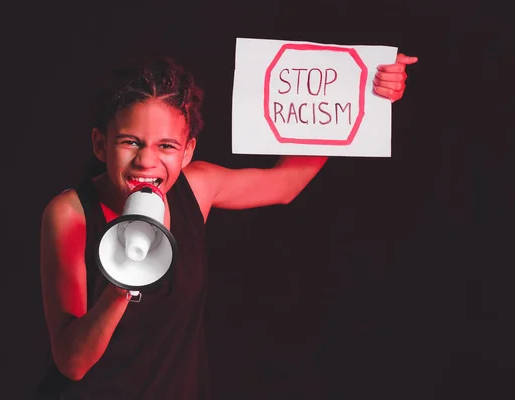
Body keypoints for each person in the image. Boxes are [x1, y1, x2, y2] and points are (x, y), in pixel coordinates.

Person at [36, 53, 418, 399]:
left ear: (188, 152)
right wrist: (123, 283)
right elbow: (73, 363)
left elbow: (285, 185)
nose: (146, 161)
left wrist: (360, 96)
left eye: (166, 146)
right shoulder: (70, 214)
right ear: (101, 145)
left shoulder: (197, 188)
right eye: (130, 142)